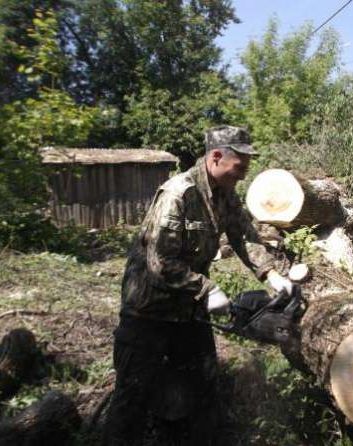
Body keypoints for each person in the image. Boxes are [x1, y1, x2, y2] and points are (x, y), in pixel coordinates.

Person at [102, 125, 292, 446]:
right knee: (132, 400)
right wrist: (208, 289)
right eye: (239, 166)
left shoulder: (226, 195)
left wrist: (271, 275)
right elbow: (160, 260)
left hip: (189, 312)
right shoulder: (179, 193)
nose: (244, 173)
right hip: (148, 314)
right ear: (216, 157)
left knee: (201, 391)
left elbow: (245, 238)